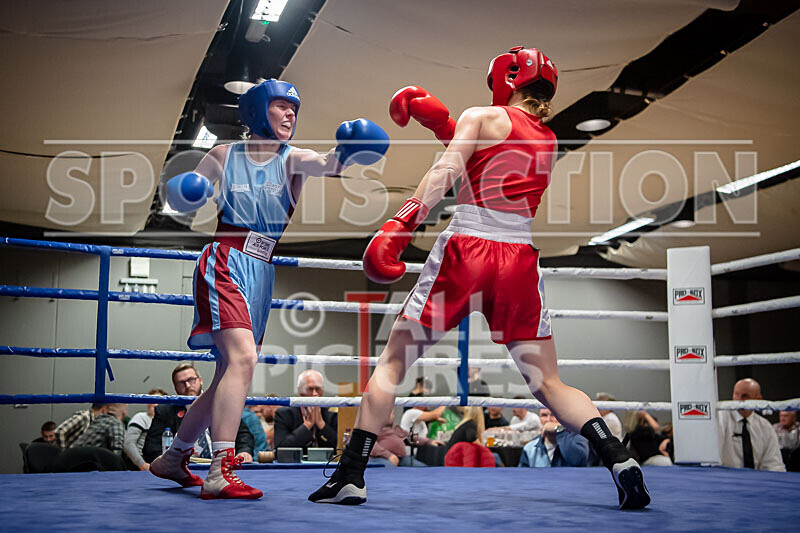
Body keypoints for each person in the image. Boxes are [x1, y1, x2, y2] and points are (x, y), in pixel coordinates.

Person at [310, 46, 649, 509]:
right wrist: (443, 126)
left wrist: (403, 221)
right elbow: (489, 167)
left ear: (505, 78)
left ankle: (350, 474)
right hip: (520, 260)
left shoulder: (482, 115)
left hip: (468, 246)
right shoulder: (548, 141)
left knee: (392, 363)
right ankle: (618, 456)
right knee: (549, 383)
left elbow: (452, 168)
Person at [150, 78, 389, 500]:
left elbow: (329, 164)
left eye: (294, 108)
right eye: (281, 106)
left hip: (262, 269)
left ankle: (175, 456)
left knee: (229, 372)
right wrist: (188, 191)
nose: (290, 114)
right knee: (243, 359)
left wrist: (350, 152)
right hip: (226, 257)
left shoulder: (293, 158)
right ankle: (221, 470)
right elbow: (186, 199)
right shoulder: (223, 154)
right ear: (259, 111)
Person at [144, 364, 254, 473]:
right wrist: (171, 464)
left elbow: (243, 435)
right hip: (184, 470)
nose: (187, 386)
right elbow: (151, 448)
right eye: (181, 383)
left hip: (221, 468)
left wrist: (244, 452)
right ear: (175, 387)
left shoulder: (221, 403)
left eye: (191, 380)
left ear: (200, 380)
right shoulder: (165, 412)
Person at [718, 378, 785, 471]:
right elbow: (711, 460)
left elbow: (774, 465)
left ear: (758, 399)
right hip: (726, 479)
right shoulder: (720, 419)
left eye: (745, 396)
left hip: (757, 481)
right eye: (736, 394)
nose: (738, 400)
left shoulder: (765, 427)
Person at [273, 370, 337, 451]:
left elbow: (339, 446)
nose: (315, 394)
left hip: (327, 462)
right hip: (296, 462)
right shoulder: (284, 414)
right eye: (310, 389)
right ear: (300, 391)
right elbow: (281, 448)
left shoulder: (331, 414)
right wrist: (307, 425)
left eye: (318, 389)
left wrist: (321, 424)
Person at [518, 409, 590, 468]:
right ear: (540, 419)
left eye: (553, 415)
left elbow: (579, 461)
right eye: (544, 415)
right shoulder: (530, 448)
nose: (548, 420)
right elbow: (522, 478)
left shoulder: (577, 438)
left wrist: (559, 430)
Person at [123, 388, 167, 471]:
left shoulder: (167, 421)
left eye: (157, 401)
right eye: (150, 400)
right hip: (141, 465)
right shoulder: (141, 417)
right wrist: (142, 464)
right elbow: (128, 444)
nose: (153, 404)